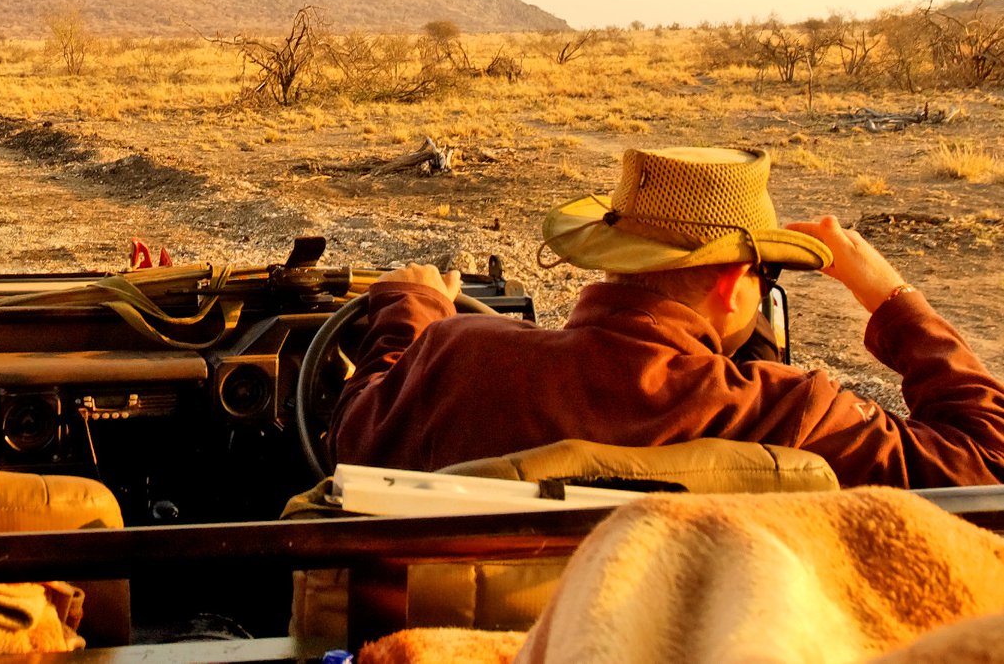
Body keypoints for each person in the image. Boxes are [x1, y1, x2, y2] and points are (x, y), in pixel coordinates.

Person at [328, 146, 1004, 487]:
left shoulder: (458, 354)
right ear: (739, 278)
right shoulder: (783, 414)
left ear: (611, 256)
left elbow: (351, 435)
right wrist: (889, 294)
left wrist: (409, 311)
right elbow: (986, 463)